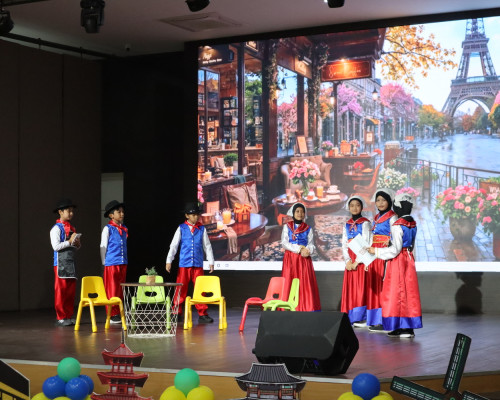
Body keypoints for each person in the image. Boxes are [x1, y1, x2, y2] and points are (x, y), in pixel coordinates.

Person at [368, 193, 422, 338]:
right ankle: (403, 325)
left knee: (396, 292)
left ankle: (403, 327)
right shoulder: (413, 223)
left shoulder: (397, 225)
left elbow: (395, 250)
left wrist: (376, 251)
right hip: (408, 259)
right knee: (408, 292)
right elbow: (409, 245)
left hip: (398, 261)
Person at [166, 202, 214, 323]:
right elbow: (174, 245)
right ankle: (176, 312)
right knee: (180, 288)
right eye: (193, 215)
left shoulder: (201, 229)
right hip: (184, 265)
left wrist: (211, 261)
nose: (196, 217)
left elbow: (207, 246)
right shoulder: (181, 228)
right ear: (187, 216)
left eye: (197, 214)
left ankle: (202, 313)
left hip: (197, 265)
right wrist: (169, 260)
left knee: (200, 289)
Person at [280, 202, 321, 312]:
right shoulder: (287, 226)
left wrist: (308, 250)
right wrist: (299, 249)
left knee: (304, 282)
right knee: (289, 280)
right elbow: (284, 243)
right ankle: (287, 308)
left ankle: (305, 307)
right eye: (297, 211)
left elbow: (311, 244)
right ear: (293, 213)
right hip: (290, 259)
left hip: (303, 259)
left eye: (302, 212)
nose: (300, 213)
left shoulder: (308, 228)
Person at [367, 188, 397, 332]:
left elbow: (395, 237)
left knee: (384, 287)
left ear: (389, 201)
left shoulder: (393, 217)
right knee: (375, 286)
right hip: (374, 254)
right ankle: (377, 319)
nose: (380, 203)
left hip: (384, 254)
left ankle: (386, 319)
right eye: (378, 200)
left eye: (383, 200)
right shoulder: (376, 217)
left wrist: (389, 242)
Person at [341, 196, 372, 326]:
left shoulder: (365, 223)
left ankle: (361, 316)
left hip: (361, 259)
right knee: (351, 288)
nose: (354, 208)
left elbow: (367, 243)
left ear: (362, 207)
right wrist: (347, 261)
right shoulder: (347, 224)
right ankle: (351, 315)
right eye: (352, 205)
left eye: (357, 205)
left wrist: (357, 262)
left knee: (361, 287)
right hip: (351, 260)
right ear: (348, 207)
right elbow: (344, 244)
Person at [50, 198, 81, 326]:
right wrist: (69, 241)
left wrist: (77, 244)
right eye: (69, 210)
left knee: (70, 292)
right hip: (60, 263)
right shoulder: (56, 229)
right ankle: (61, 317)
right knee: (61, 291)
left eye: (72, 211)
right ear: (60, 212)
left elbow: (74, 247)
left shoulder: (72, 228)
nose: (71, 213)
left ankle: (68, 316)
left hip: (70, 263)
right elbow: (56, 246)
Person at [100, 200, 128, 324]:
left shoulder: (124, 228)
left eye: (122, 211)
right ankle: (112, 314)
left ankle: (119, 311)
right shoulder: (108, 229)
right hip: (111, 263)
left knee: (120, 289)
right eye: (119, 212)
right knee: (112, 289)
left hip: (122, 262)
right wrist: (104, 262)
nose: (122, 214)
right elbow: (103, 246)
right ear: (111, 215)